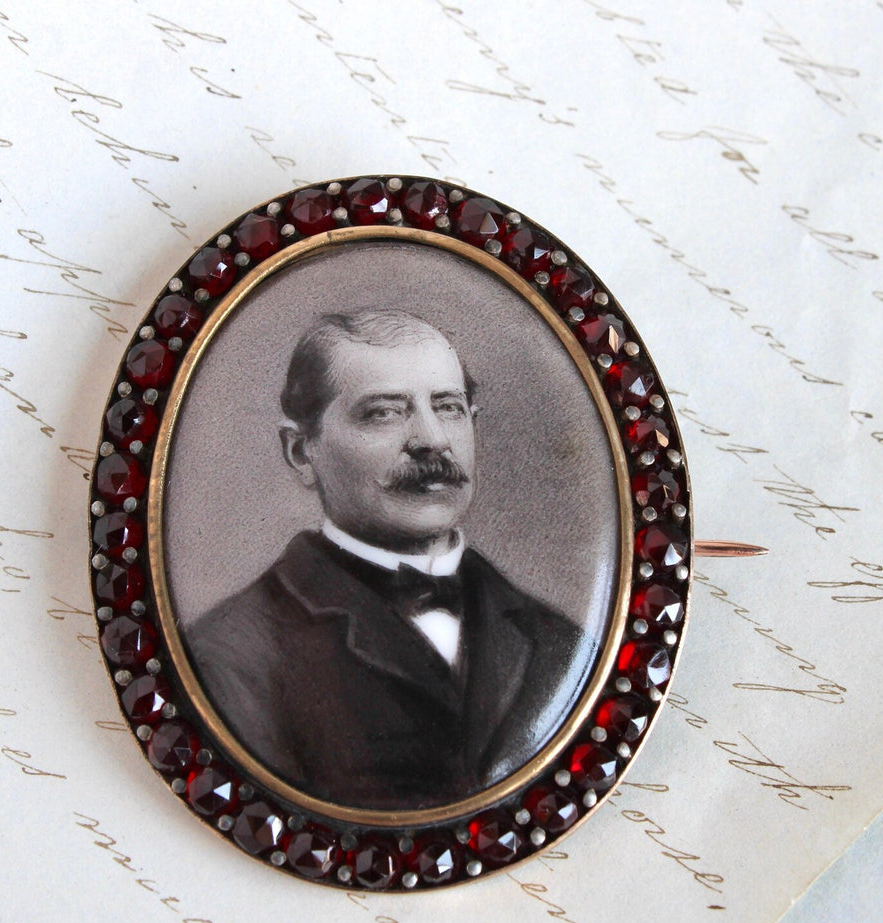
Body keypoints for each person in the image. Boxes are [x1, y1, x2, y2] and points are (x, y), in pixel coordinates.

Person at [185, 310, 596, 810]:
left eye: (448, 408)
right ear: (299, 451)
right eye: (383, 412)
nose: (432, 439)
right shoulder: (229, 658)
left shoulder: (563, 643)